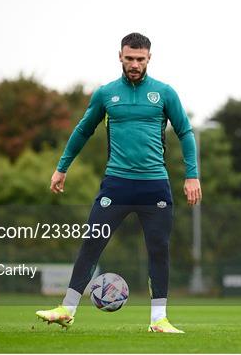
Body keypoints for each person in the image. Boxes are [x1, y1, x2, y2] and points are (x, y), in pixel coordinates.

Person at [35, 32, 202, 333]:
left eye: (140, 59)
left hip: (155, 187)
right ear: (120, 57)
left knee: (159, 250)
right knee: (91, 243)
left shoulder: (164, 93)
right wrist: (61, 168)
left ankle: (159, 320)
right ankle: (66, 309)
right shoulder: (106, 94)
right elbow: (83, 130)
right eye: (130, 58)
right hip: (116, 184)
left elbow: (186, 132)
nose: (135, 64)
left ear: (149, 58)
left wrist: (191, 175)